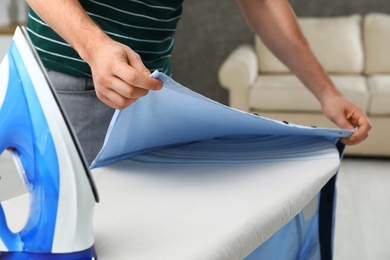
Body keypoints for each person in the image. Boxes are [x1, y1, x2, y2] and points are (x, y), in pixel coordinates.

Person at [25, 0, 371, 164]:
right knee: (78, 233)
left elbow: (262, 3)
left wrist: (326, 93)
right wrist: (95, 48)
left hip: (152, 90)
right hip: (72, 77)